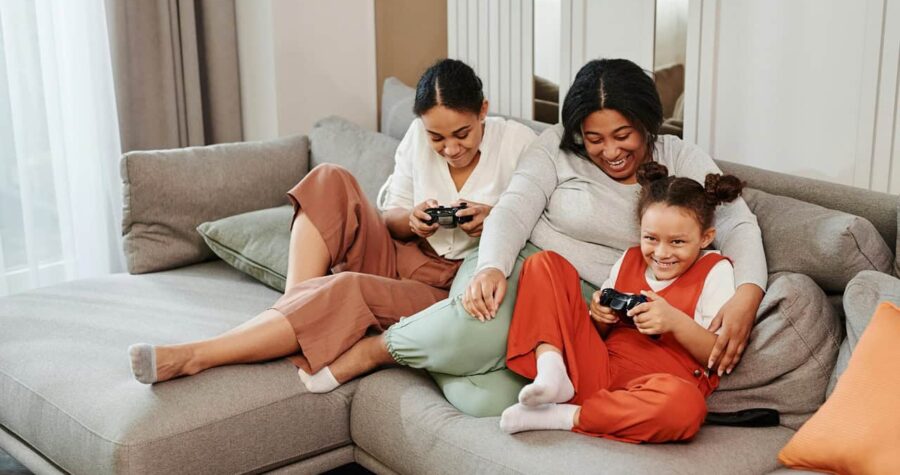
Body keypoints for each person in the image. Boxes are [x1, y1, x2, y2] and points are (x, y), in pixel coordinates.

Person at [300, 58, 767, 417]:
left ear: (648, 123)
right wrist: (491, 267)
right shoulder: (555, 150)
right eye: (593, 138)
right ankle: (371, 352)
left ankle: (423, 344)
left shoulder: (681, 157)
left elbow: (737, 224)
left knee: (485, 400)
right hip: (523, 261)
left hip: (582, 299)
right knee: (472, 327)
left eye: (623, 135)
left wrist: (747, 295)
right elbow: (514, 209)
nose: (609, 151)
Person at [127, 59, 537, 388]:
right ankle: (291, 309)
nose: (450, 148)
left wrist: (493, 218)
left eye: (462, 134)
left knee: (345, 288)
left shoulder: (519, 145)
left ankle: (194, 356)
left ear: (483, 110)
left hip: (442, 287)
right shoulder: (416, 136)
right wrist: (412, 221)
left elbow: (538, 222)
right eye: (437, 137)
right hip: (402, 251)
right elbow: (390, 217)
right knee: (328, 178)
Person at [498, 161, 743, 442]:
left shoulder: (715, 269)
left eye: (677, 242)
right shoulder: (629, 258)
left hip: (652, 391)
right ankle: (551, 371)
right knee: (544, 264)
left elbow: (718, 355)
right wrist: (600, 318)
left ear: (705, 238)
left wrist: (674, 321)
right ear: (640, 230)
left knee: (686, 406)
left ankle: (566, 416)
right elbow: (598, 333)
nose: (662, 253)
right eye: (651, 238)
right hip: (597, 369)